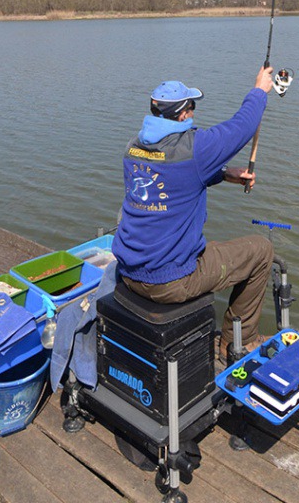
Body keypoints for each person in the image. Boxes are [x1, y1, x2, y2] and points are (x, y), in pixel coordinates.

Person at [113, 65, 275, 358]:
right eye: (192, 107)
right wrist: (259, 90)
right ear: (184, 113)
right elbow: (242, 127)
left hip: (129, 272)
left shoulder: (132, 149)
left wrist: (224, 174)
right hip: (168, 282)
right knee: (261, 250)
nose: (193, 113)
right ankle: (237, 342)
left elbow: (170, 178)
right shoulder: (195, 148)